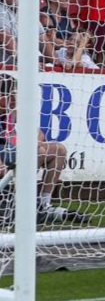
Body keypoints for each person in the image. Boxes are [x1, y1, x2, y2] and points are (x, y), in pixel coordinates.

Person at [0, 75, 89, 224]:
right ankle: (19, 202)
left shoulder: (11, 112)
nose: (14, 98)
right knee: (38, 152)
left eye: (14, 93)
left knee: (58, 150)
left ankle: (43, 204)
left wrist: (33, 142)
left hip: (10, 153)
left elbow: (38, 132)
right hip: (3, 157)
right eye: (10, 95)